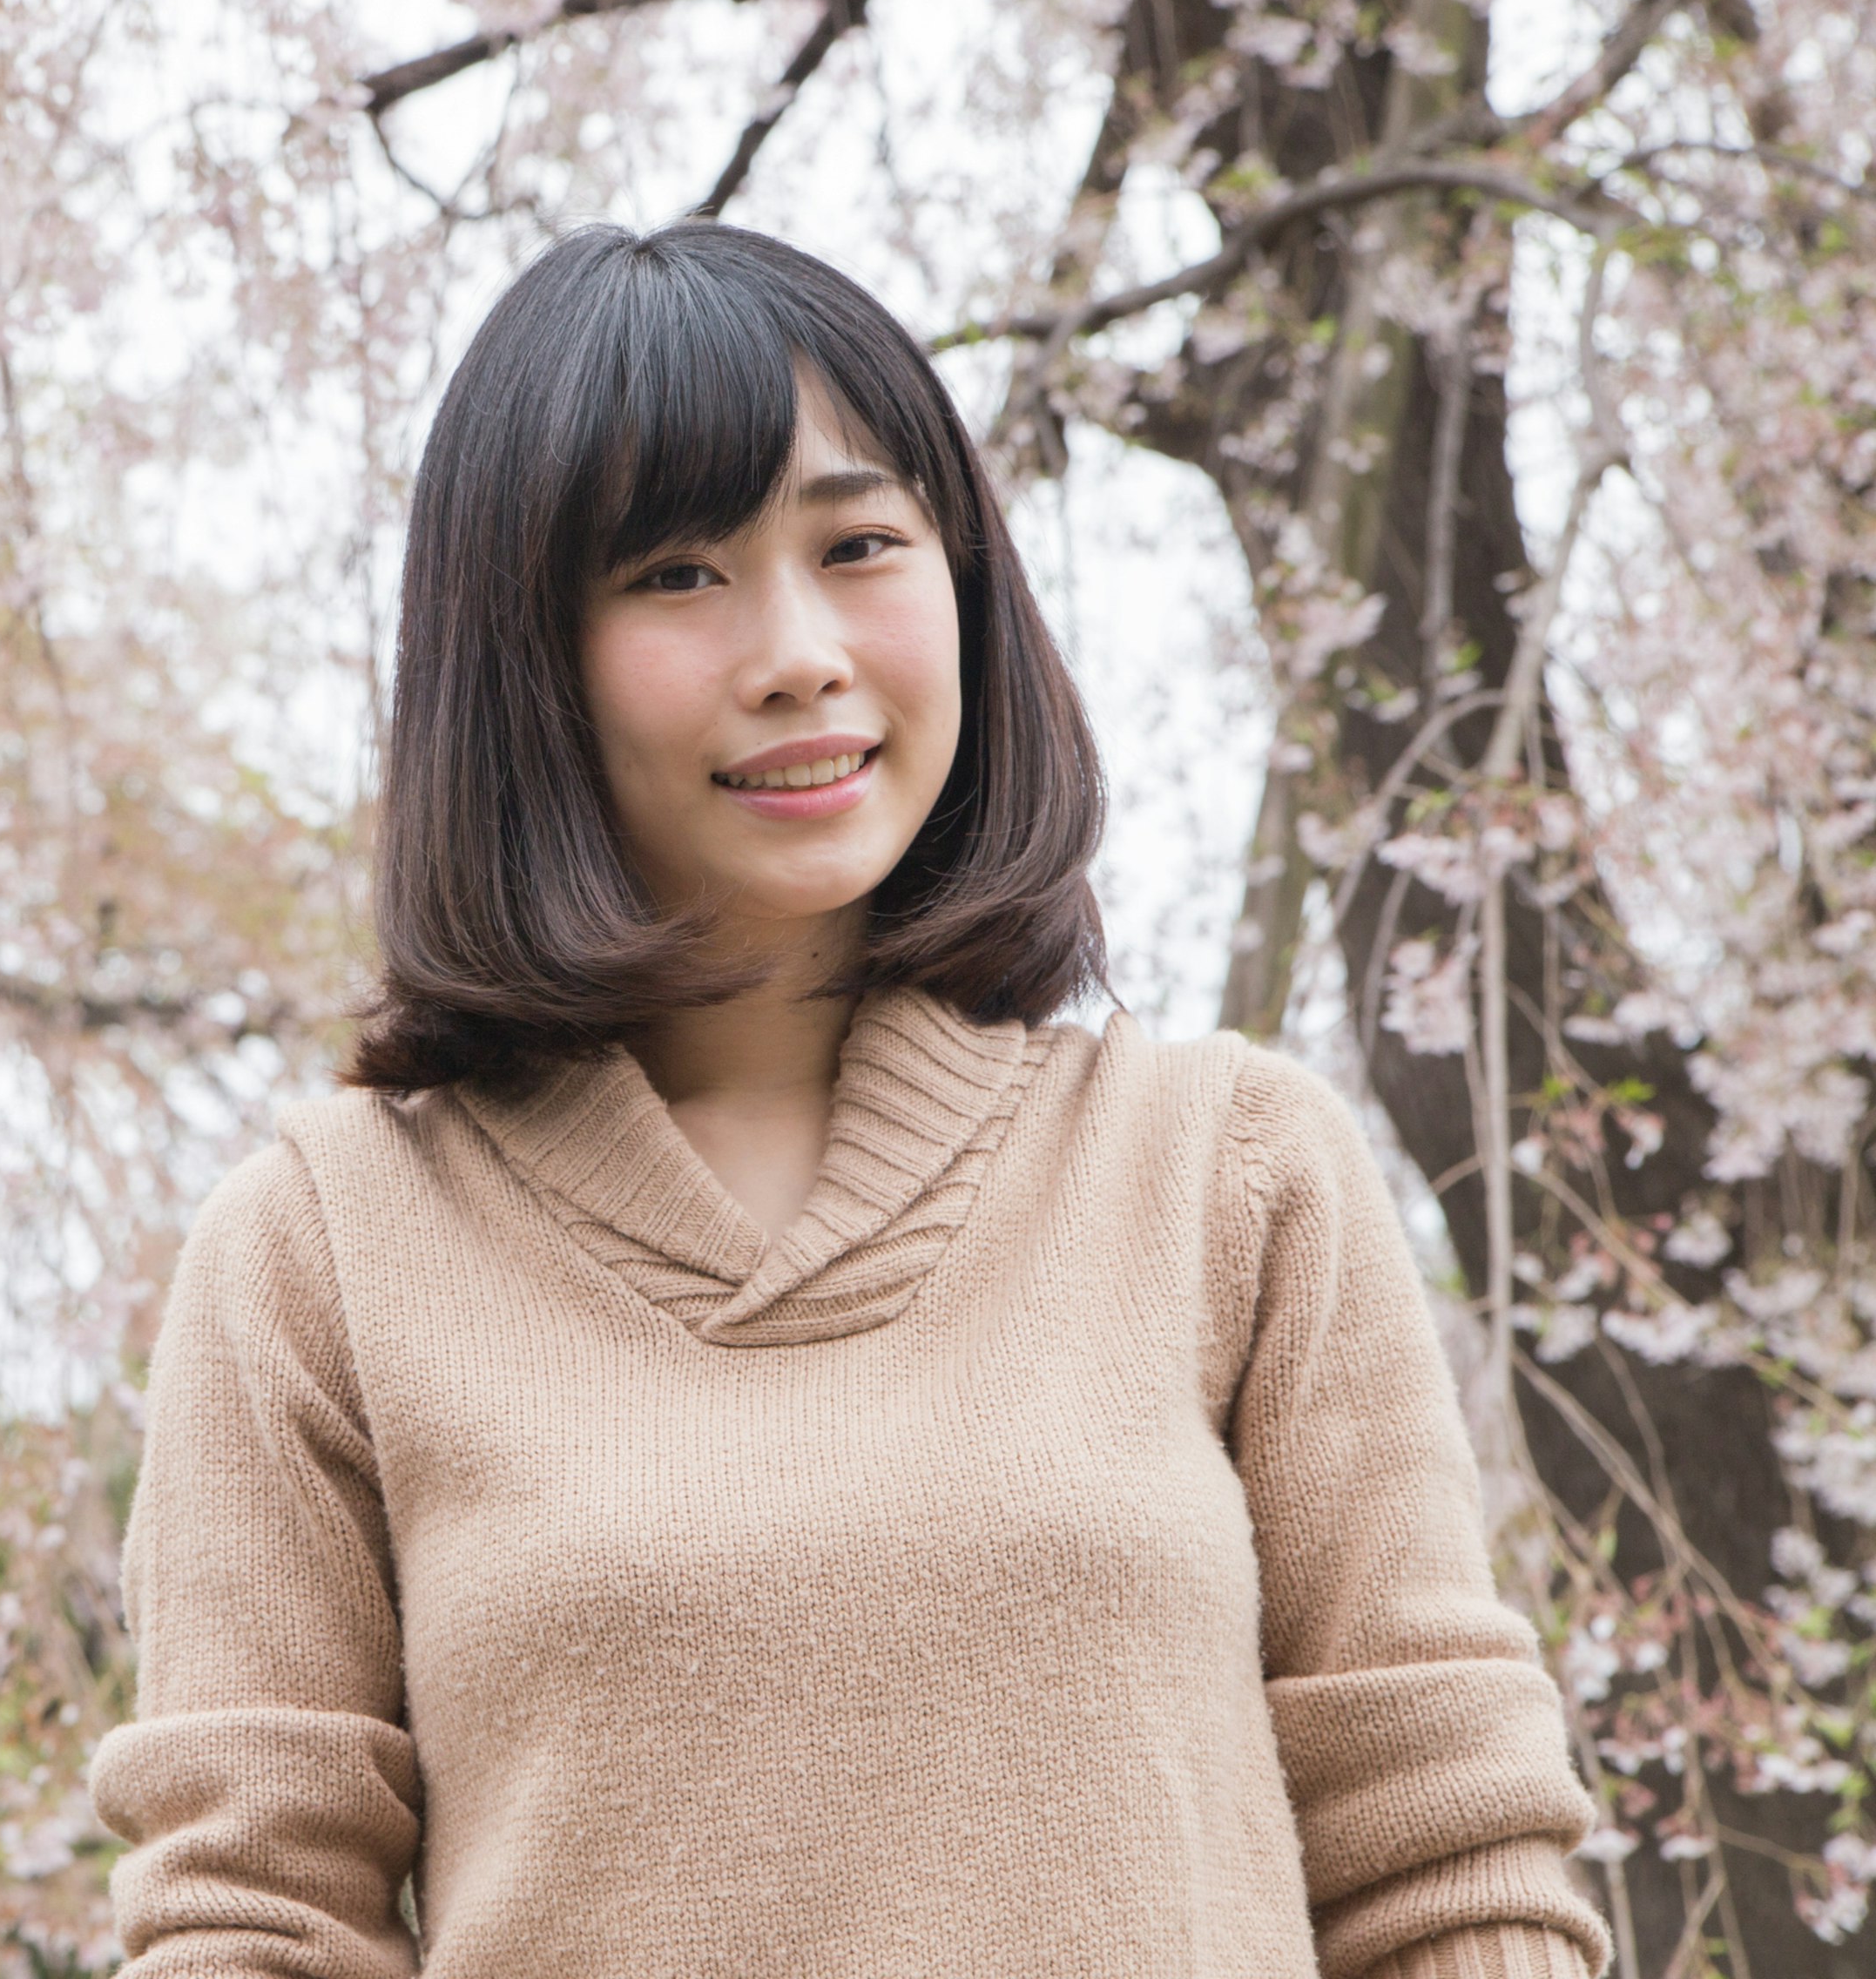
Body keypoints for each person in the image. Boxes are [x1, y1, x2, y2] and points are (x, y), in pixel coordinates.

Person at [88, 222, 1609, 1979]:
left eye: (860, 543)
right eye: (676, 572)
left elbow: (1449, 1861)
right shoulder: (323, 1244)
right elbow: (249, 1914)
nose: (799, 647)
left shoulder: (1229, 1167)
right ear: (524, 657)